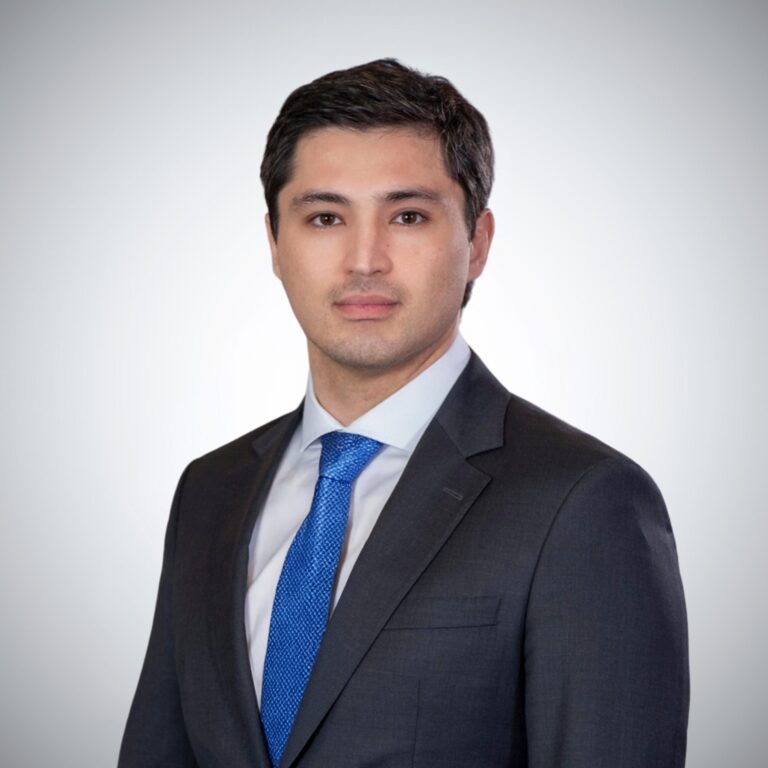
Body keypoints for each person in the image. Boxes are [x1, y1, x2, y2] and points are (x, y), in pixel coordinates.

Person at [118, 59, 689, 768]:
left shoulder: (584, 502)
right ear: (275, 243)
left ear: (477, 243)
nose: (365, 260)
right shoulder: (210, 491)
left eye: (408, 216)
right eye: (325, 217)